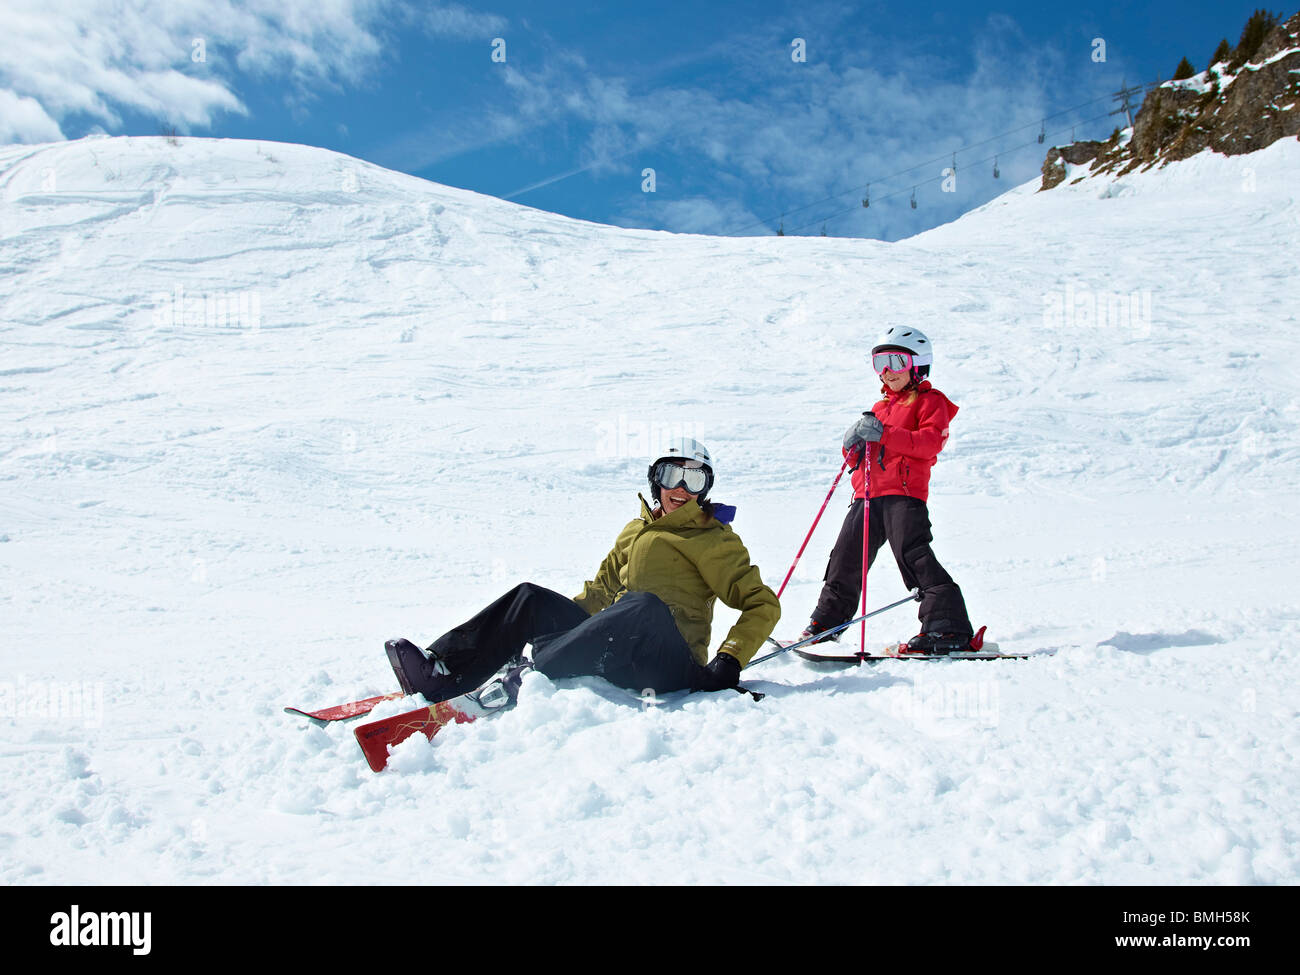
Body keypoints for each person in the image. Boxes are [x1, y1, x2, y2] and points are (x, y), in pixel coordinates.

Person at [386, 438, 780, 704]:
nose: (681, 487)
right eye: (671, 475)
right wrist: (551, 628)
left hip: (666, 664)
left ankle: (533, 672)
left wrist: (729, 658)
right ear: (655, 481)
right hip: (620, 649)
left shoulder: (713, 539)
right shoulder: (636, 531)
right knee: (530, 598)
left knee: (644, 606)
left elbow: (763, 605)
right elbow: (598, 593)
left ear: (704, 489)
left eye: (694, 478)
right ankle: (443, 670)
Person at [800, 326, 974, 654]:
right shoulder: (879, 408)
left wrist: (884, 434)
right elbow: (862, 457)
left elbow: (929, 443)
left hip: (904, 494)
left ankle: (946, 626)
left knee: (914, 555)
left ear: (918, 364)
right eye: (879, 362)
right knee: (844, 557)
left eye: (895, 360)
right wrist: (852, 445)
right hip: (866, 496)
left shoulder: (930, 402)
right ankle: (828, 622)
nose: (887, 371)